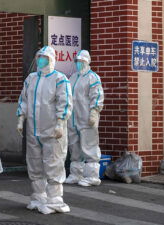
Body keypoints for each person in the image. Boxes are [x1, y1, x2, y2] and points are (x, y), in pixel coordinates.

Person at [16, 46, 73, 214]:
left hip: (52, 131)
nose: (41, 60)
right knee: (34, 163)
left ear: (52, 60)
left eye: (45, 57)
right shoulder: (31, 79)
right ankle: (38, 196)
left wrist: (60, 122)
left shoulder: (60, 79)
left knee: (53, 162)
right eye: (39, 57)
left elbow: (65, 102)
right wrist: (21, 118)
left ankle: (55, 199)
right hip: (34, 130)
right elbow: (23, 100)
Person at [65, 50, 104, 187]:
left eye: (82, 61)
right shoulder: (73, 77)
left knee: (89, 146)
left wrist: (94, 112)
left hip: (87, 118)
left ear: (87, 62)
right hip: (73, 119)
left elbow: (97, 96)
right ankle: (76, 174)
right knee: (74, 147)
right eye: (77, 61)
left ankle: (92, 176)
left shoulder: (93, 77)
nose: (79, 64)